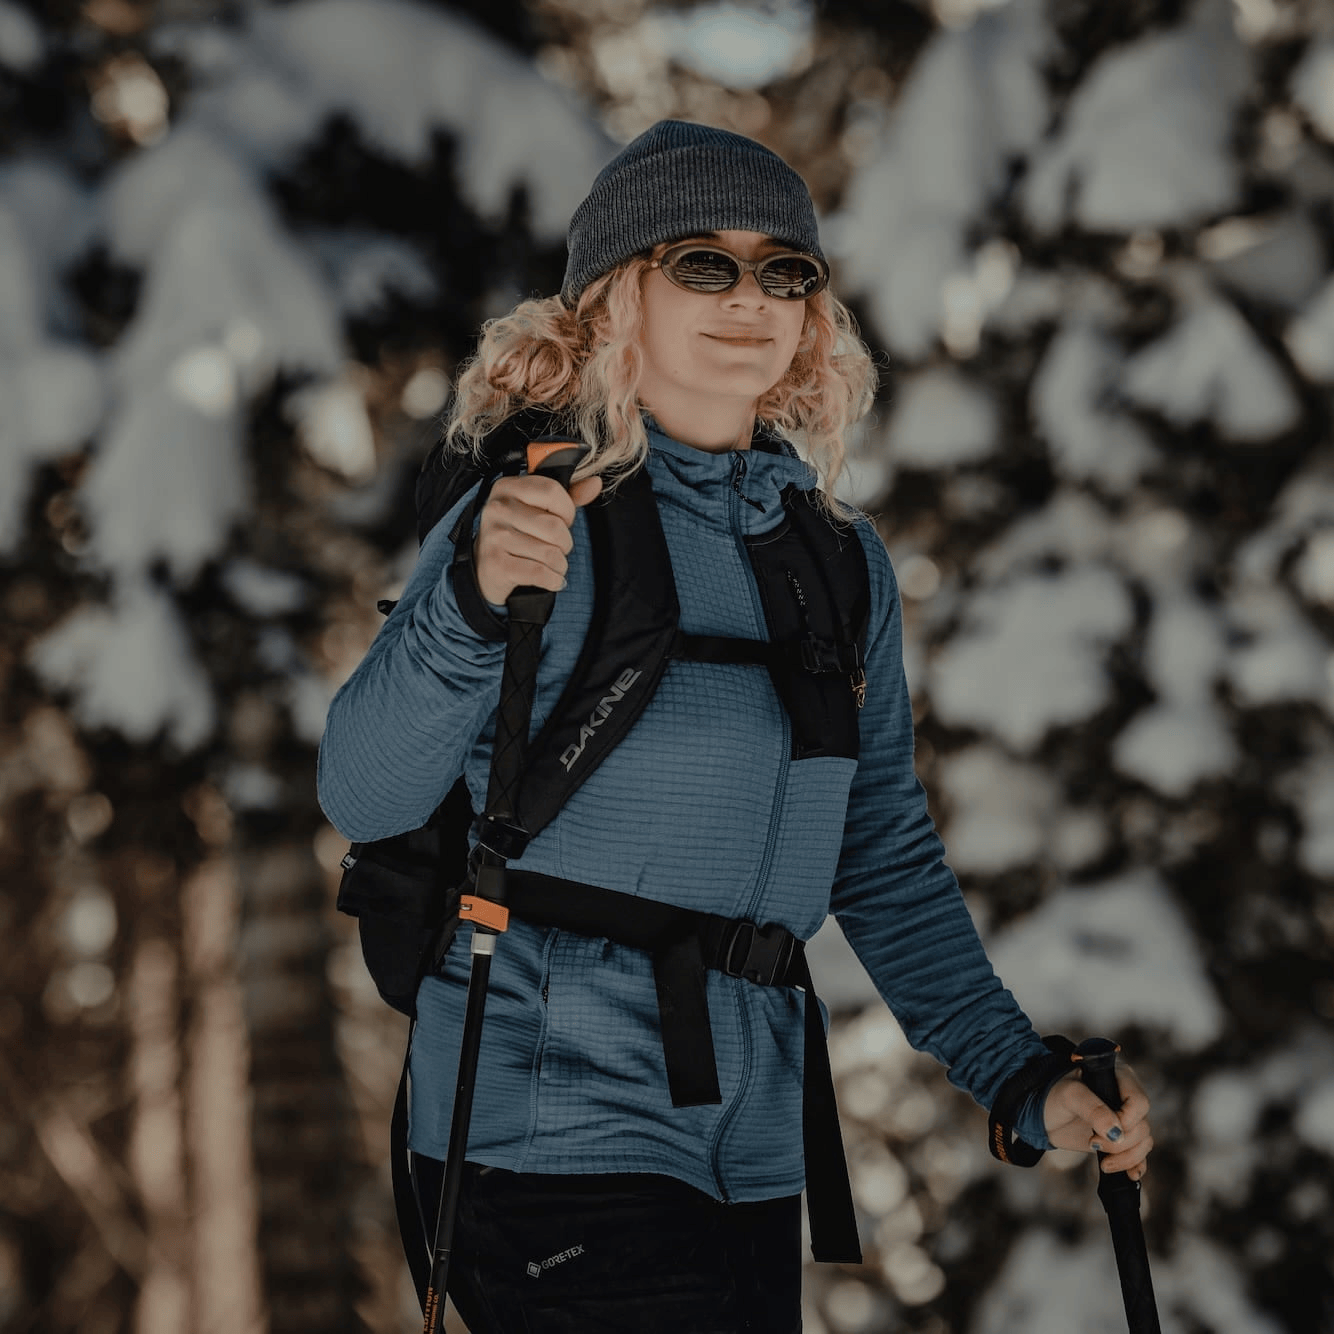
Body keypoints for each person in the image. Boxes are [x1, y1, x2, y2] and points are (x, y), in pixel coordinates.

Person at [318, 120, 1153, 1333]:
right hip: (548, 1131)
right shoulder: (539, 512)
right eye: (700, 261)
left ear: (814, 316)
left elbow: (879, 854)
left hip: (746, 1150)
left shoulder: (833, 560)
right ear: (615, 298)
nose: (748, 294)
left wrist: (1016, 1073)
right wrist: (466, 603)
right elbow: (366, 788)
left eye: (785, 270)